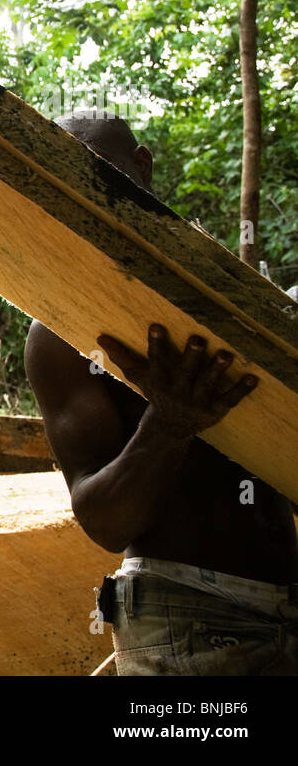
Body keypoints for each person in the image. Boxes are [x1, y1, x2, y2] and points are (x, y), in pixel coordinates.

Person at [25, 109, 298, 675]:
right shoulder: (64, 332)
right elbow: (105, 521)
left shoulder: (218, 296)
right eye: (69, 180)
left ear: (142, 166)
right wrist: (168, 422)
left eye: (102, 172)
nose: (90, 193)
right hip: (185, 621)